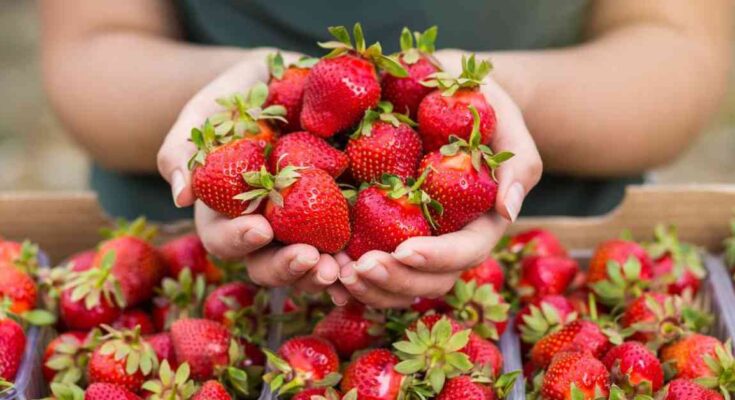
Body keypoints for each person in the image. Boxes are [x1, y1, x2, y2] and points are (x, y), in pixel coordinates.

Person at [40, 0, 732, 308]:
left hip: (551, 255)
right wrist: (249, 92)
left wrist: (505, 86)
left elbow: (676, 48)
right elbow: (90, 45)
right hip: (184, 257)